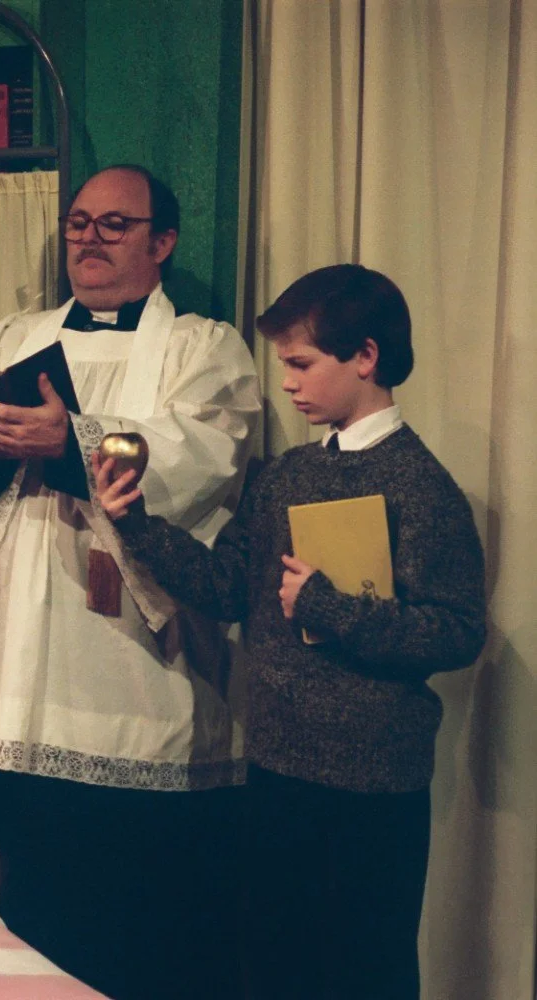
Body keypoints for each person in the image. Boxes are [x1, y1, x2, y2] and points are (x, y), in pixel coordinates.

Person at [0, 165, 262, 999]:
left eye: (113, 224)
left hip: (140, 674)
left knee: (148, 924)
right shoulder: (4, 344)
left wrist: (71, 440)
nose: (88, 239)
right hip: (25, 671)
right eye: (77, 223)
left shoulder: (204, 348)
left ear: (162, 242)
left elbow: (201, 454)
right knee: (36, 912)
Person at [95, 263, 486, 1000]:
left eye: (303, 364)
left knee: (364, 973)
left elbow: (456, 632)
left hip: (371, 781)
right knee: (274, 967)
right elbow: (225, 587)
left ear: (365, 356)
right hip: (276, 764)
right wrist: (136, 524)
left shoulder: (421, 486)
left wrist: (329, 609)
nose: (289, 384)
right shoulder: (286, 475)